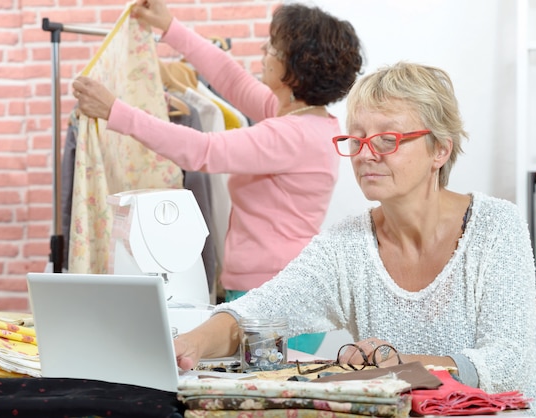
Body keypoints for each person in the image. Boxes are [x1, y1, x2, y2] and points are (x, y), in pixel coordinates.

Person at [169, 62, 536, 418]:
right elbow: (257, 313)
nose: (366, 154)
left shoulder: (495, 226)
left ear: (439, 149)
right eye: (356, 140)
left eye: (387, 139)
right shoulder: (346, 244)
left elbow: (509, 362)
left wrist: (400, 365)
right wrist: (191, 344)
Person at [72, 0, 363, 354]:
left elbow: (201, 151)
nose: (263, 51)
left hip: (276, 294)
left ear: (294, 72)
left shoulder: (293, 135)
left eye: (273, 47)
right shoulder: (299, 119)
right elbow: (230, 78)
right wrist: (171, 27)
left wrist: (115, 112)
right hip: (271, 287)